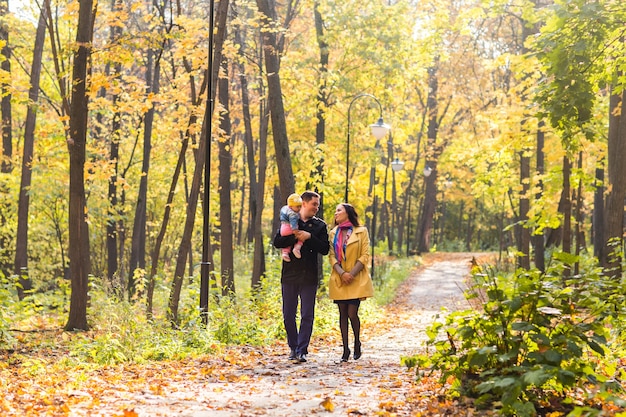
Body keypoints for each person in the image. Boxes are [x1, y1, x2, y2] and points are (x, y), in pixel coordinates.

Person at [273, 191, 329, 363]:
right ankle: (293, 347)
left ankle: (302, 350)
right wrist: (295, 237)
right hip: (289, 275)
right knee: (288, 314)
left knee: (307, 314)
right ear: (303, 203)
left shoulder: (320, 226)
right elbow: (277, 242)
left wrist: (309, 237)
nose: (316, 208)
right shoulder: (290, 220)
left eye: (317, 205)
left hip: (309, 276)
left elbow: (325, 249)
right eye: (314, 204)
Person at [328, 203, 373, 362]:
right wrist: (342, 273)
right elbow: (332, 256)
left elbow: (365, 255)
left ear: (348, 212)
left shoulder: (362, 231)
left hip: (355, 278)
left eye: (339, 210)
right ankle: (345, 349)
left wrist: (351, 274)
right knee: (342, 314)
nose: (336, 213)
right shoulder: (333, 232)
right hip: (339, 278)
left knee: (352, 313)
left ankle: (357, 343)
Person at [279, 193, 304, 262]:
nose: (299, 209)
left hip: (283, 228)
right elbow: (293, 224)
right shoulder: (293, 214)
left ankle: (285, 253)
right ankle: (297, 248)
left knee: (287, 242)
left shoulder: (284, 208)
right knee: (301, 237)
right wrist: (295, 231)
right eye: (297, 207)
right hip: (289, 228)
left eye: (300, 206)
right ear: (291, 206)